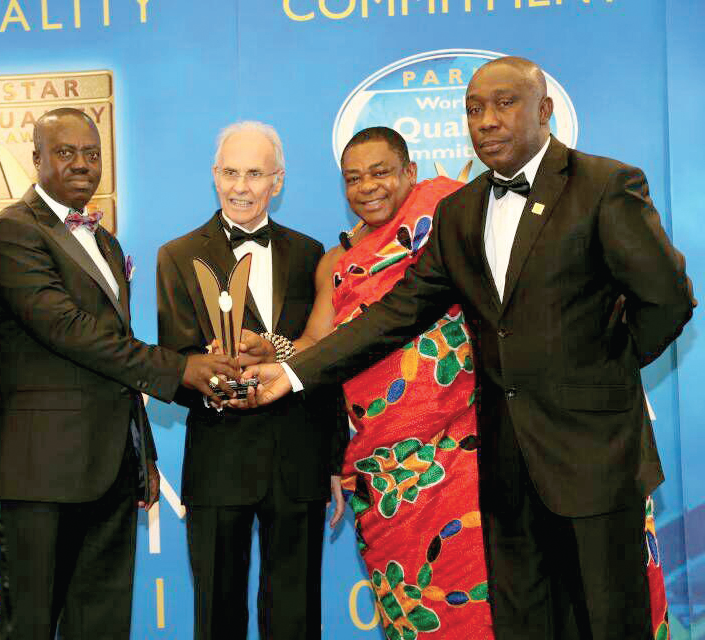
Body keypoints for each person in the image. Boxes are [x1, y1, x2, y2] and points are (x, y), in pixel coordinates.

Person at [242, 57, 692, 640]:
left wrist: (606, 370)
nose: (487, 121)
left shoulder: (605, 184)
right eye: (475, 109)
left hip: (595, 456)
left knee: (608, 621)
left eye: (505, 103)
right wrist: (293, 373)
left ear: (544, 111)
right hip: (501, 465)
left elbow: (668, 298)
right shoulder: (459, 212)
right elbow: (394, 315)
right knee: (524, 622)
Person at [0, 107, 238, 639]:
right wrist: (181, 368)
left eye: (91, 154)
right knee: (30, 625)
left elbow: (113, 355)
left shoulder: (106, 243)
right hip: (39, 471)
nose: (82, 164)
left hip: (109, 470)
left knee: (102, 625)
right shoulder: (10, 232)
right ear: (37, 160)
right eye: (65, 152)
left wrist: (140, 455)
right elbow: (71, 331)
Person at [246, 125, 496, 638]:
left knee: (477, 592)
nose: (367, 187)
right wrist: (272, 349)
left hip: (460, 453)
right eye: (353, 178)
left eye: (380, 172)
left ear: (411, 173)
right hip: (384, 470)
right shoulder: (338, 266)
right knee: (412, 602)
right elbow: (316, 344)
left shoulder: (449, 223)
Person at [155, 121, 348, 640]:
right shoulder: (177, 255)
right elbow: (176, 362)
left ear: (277, 181)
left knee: (295, 616)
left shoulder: (313, 254)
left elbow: (328, 361)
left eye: (255, 174)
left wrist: (333, 459)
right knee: (217, 615)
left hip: (298, 457)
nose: (240, 187)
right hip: (220, 457)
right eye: (230, 173)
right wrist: (213, 378)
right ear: (214, 175)